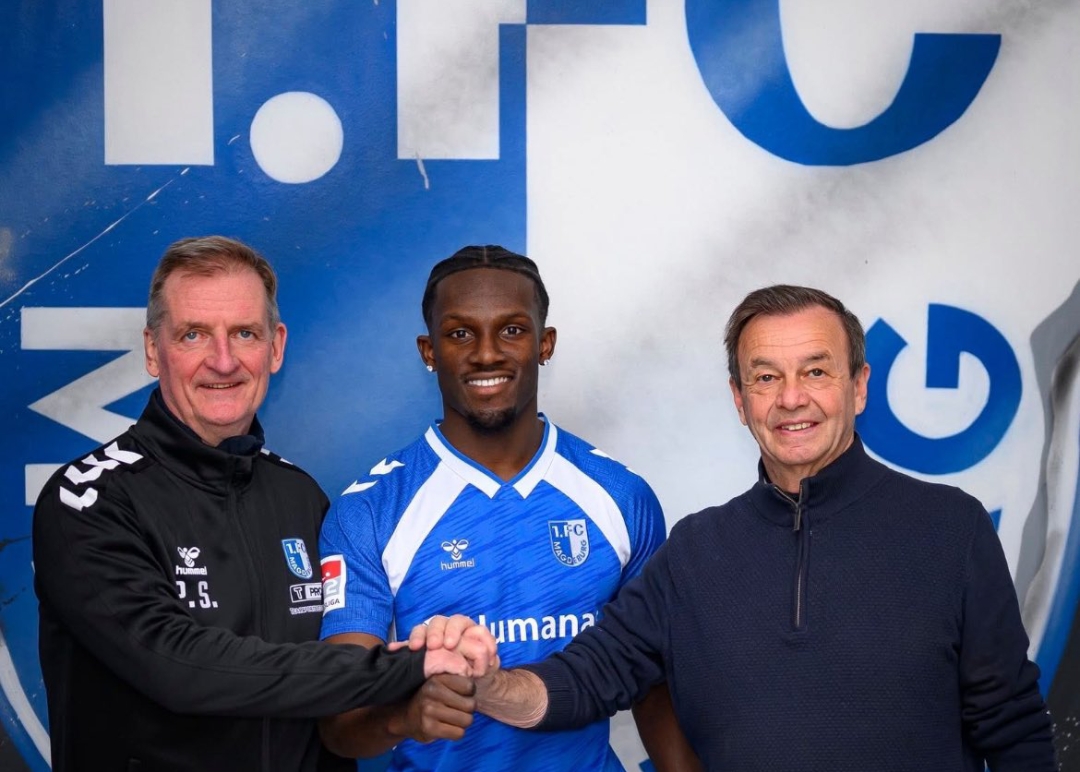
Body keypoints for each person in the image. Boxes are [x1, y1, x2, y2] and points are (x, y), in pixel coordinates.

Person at [414, 284, 1059, 770]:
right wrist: (482, 683)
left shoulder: (950, 530)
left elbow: (1011, 726)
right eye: (766, 377)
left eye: (816, 371)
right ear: (739, 399)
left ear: (859, 386)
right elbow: (581, 682)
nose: (791, 398)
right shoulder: (695, 552)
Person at [32, 236, 496, 772]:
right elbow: (180, 670)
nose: (223, 361)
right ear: (154, 351)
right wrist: (408, 667)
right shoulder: (87, 501)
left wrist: (434, 657)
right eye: (193, 334)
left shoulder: (300, 497)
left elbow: (338, 707)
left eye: (244, 333)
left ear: (275, 347)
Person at [317, 245, 696, 771]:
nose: (487, 353)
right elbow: (340, 722)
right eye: (460, 334)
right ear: (429, 351)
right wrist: (404, 717)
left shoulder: (621, 497)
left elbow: (652, 680)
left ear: (545, 343)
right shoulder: (369, 512)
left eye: (512, 330)